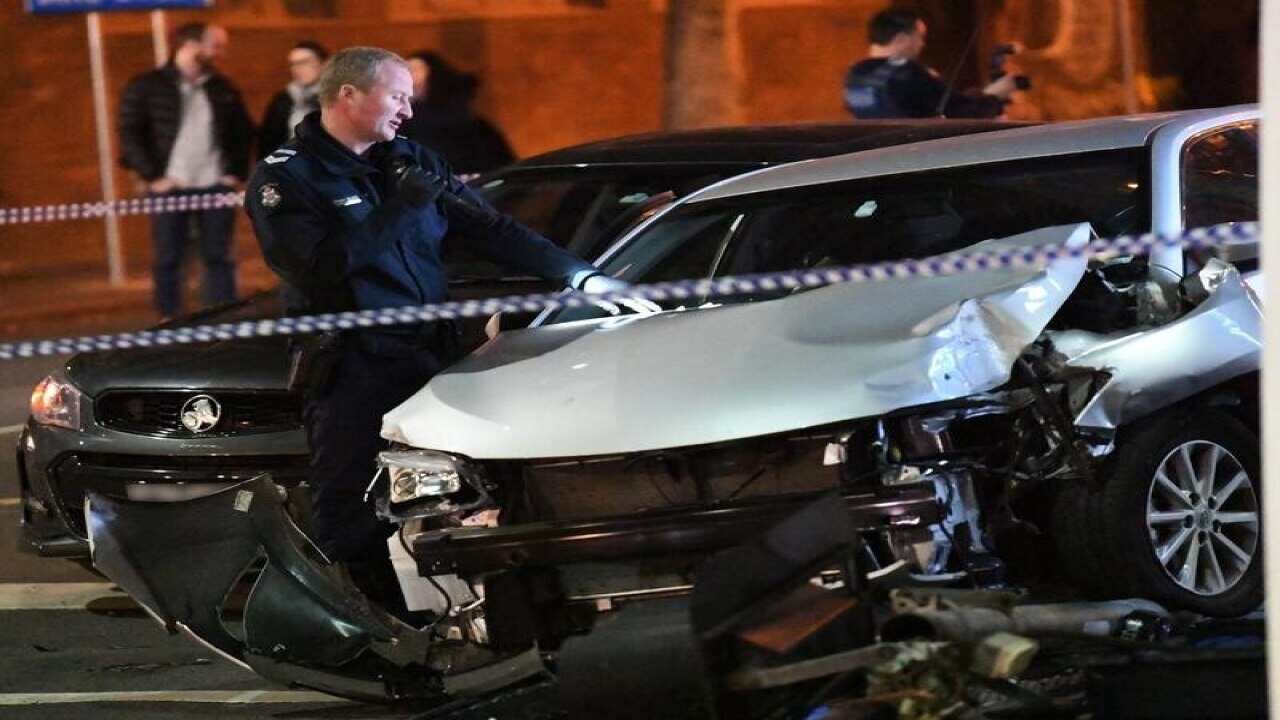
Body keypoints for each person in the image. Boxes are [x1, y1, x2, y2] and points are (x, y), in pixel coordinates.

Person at [245, 46, 636, 611]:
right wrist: (399, 209)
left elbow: (491, 230)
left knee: (472, 489)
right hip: (355, 365)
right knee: (351, 508)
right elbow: (318, 268)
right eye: (397, 97)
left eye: (409, 97)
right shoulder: (289, 177)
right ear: (348, 94)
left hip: (431, 356)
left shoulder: (410, 160)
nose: (408, 110)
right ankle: (380, 633)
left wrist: (581, 276)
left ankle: (489, 615)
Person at [118, 22, 253, 318]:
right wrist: (152, 176)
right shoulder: (148, 86)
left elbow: (242, 132)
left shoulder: (222, 87)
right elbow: (129, 133)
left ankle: (224, 319)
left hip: (215, 185)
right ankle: (170, 321)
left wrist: (235, 173)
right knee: (168, 257)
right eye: (215, 45)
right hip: (170, 187)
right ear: (191, 45)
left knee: (219, 256)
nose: (221, 52)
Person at [842, 8, 1017, 119]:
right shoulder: (906, 71)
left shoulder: (855, 75)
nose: (922, 44)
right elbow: (958, 111)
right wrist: (996, 95)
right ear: (901, 39)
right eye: (919, 37)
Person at [401, 51, 515, 174]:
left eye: (414, 70)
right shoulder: (401, 124)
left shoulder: (470, 124)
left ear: (433, 73)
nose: (408, 76)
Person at [258, 41, 329, 160]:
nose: (297, 69)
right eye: (293, 64)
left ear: (323, 64)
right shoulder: (282, 100)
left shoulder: (337, 98)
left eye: (304, 62)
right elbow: (268, 142)